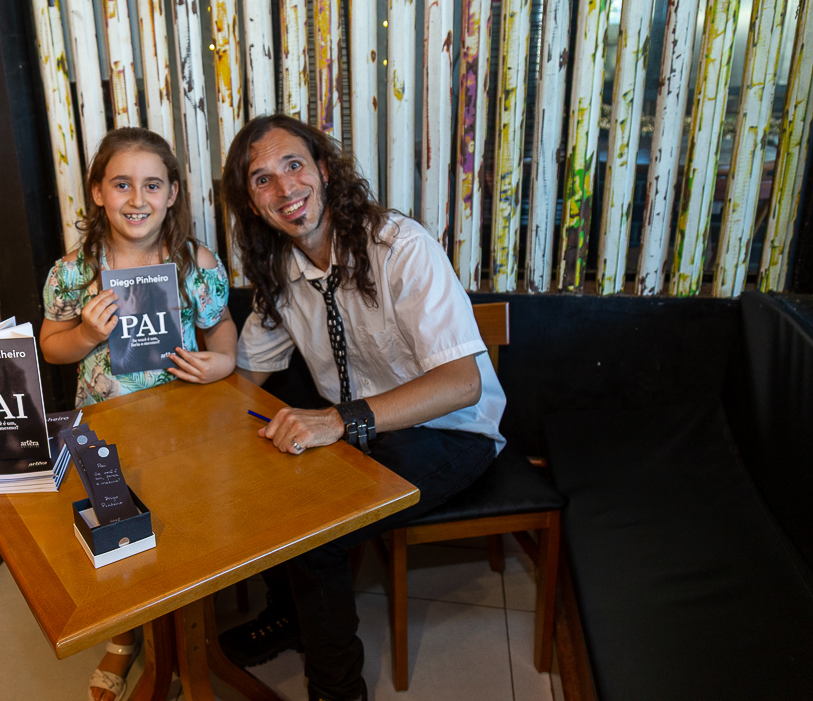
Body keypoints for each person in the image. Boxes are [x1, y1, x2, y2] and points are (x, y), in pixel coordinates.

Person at [219, 114, 506, 701]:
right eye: (262, 179)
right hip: (362, 433)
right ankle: (291, 616)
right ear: (251, 203)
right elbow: (246, 375)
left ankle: (337, 691)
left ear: (324, 170)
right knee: (264, 482)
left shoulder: (399, 247)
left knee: (316, 532)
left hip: (451, 431)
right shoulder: (280, 269)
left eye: (294, 165)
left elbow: (462, 384)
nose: (285, 188)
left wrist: (338, 421)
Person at [40, 127, 238, 701]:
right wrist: (85, 335)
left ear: (172, 193)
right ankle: (127, 632)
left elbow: (221, 325)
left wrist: (224, 362)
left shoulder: (195, 263)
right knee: (118, 524)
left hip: (187, 427)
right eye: (121, 184)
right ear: (97, 192)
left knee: (183, 521)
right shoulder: (73, 273)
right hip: (108, 431)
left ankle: (190, 629)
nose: (137, 199)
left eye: (152, 185)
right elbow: (51, 346)